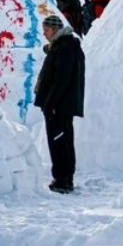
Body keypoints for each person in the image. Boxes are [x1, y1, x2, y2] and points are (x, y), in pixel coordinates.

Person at [34, 14, 86, 194]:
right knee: (61, 142)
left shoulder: (65, 48)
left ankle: (62, 180)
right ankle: (63, 178)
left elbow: (61, 80)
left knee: (60, 143)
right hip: (59, 104)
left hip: (59, 106)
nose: (44, 33)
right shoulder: (62, 46)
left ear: (55, 30)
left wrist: (51, 103)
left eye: (47, 30)